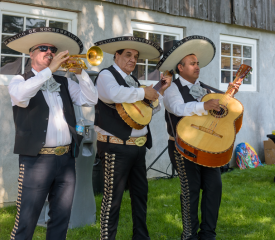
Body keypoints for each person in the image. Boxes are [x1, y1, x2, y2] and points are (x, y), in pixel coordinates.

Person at [5, 27, 98, 240]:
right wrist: (49, 71)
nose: (49, 52)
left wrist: (81, 73)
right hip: (36, 161)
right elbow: (21, 97)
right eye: (43, 48)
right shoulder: (20, 80)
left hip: (65, 160)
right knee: (26, 220)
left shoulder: (64, 82)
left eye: (53, 49)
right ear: (31, 54)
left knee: (61, 218)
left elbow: (91, 99)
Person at [156, 36, 240, 240]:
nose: (197, 67)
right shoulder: (171, 88)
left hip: (208, 146)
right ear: (180, 67)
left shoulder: (206, 88)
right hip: (182, 146)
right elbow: (177, 108)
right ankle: (189, 234)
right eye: (192, 63)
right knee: (190, 189)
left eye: (198, 63)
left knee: (214, 187)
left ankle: (208, 233)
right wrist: (204, 105)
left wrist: (230, 94)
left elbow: (221, 110)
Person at [93, 34, 172, 240]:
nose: (133, 60)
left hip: (138, 147)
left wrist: (158, 91)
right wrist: (143, 92)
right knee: (112, 200)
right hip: (115, 148)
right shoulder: (106, 76)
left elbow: (144, 112)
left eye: (136, 56)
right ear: (116, 56)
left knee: (140, 197)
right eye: (128, 55)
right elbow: (114, 94)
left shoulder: (134, 81)